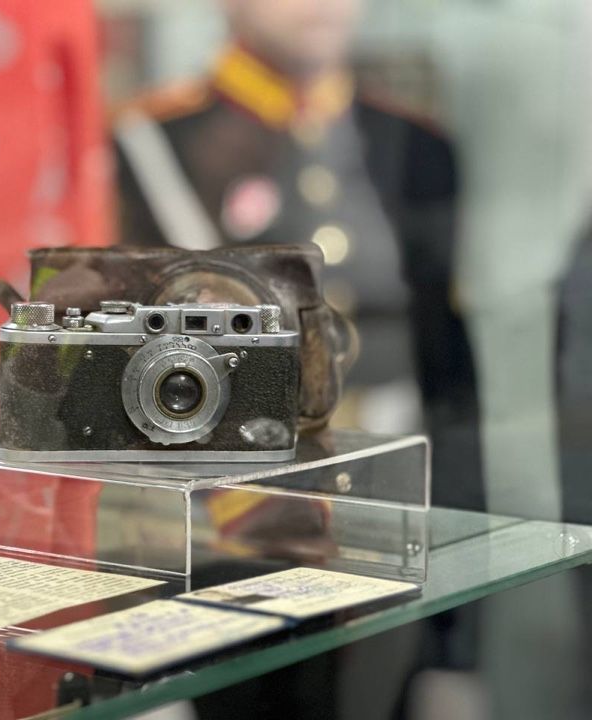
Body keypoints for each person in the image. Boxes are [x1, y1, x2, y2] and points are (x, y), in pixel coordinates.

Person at [115, 0, 483, 512]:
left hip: (399, 474)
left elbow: (448, 354)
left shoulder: (418, 144)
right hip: (233, 495)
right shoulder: (151, 144)